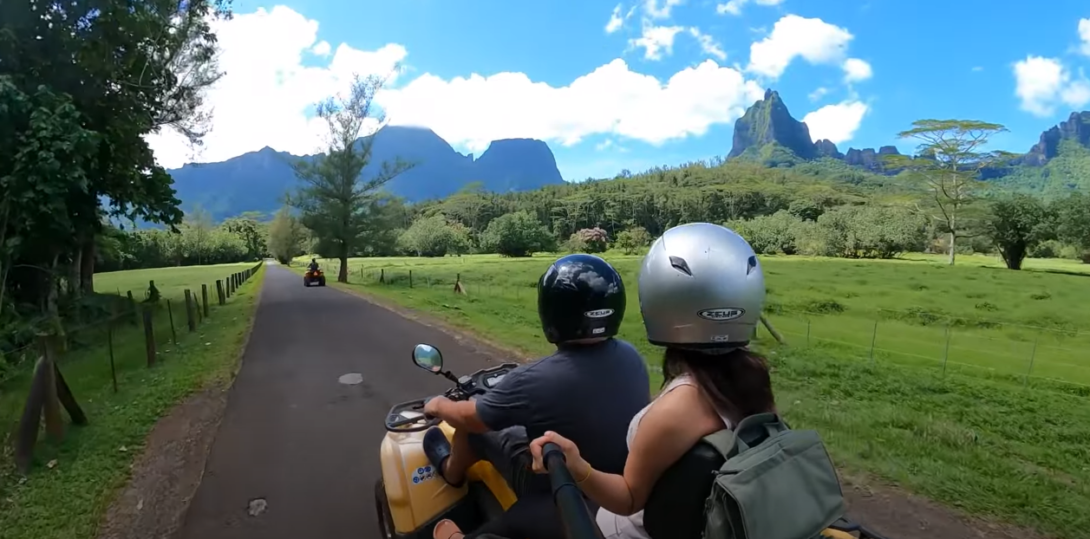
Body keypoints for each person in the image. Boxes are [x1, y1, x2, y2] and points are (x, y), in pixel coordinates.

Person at [528, 223, 778, 539]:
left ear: (661, 298)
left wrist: (577, 466)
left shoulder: (678, 406)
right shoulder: (755, 377)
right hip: (712, 524)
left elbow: (628, 498)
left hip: (628, 532)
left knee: (520, 522)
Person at [422, 254, 651, 539]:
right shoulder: (632, 356)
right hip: (615, 488)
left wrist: (439, 405)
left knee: (475, 432)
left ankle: (451, 472)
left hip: (560, 488)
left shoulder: (533, 379)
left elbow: (471, 418)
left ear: (552, 312)